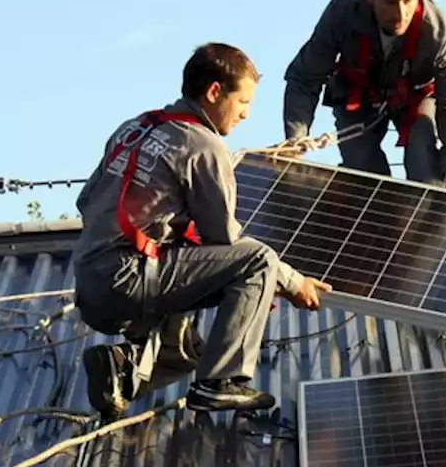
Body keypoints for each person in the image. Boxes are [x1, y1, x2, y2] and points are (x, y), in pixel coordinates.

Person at [72, 42, 331, 419]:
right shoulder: (203, 146)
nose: (246, 114)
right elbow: (224, 239)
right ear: (214, 92)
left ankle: (122, 368)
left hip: (91, 281)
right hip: (129, 278)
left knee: (186, 351)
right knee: (257, 261)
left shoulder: (136, 127)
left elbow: (86, 200)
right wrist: (292, 282)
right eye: (243, 102)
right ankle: (222, 383)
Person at [280, 0, 446, 192]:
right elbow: (305, 77)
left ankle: (426, 220)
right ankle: (378, 224)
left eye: (407, 1)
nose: (400, 13)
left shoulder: (438, 31)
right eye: (389, 2)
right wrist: (295, 140)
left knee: (424, 165)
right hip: (358, 94)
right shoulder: (344, 12)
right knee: (362, 172)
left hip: (415, 96)